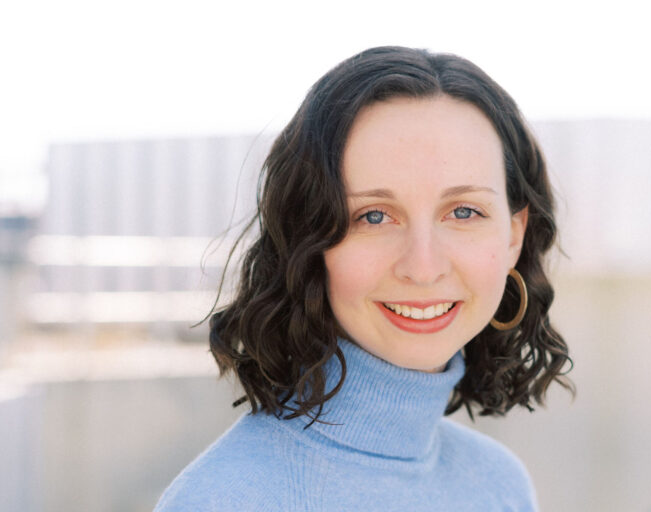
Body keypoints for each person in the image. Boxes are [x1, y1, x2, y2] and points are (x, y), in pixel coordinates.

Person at [154, 45, 573, 512]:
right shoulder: (227, 501)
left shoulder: (500, 486)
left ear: (514, 235)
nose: (423, 266)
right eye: (374, 216)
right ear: (308, 237)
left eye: (463, 211)